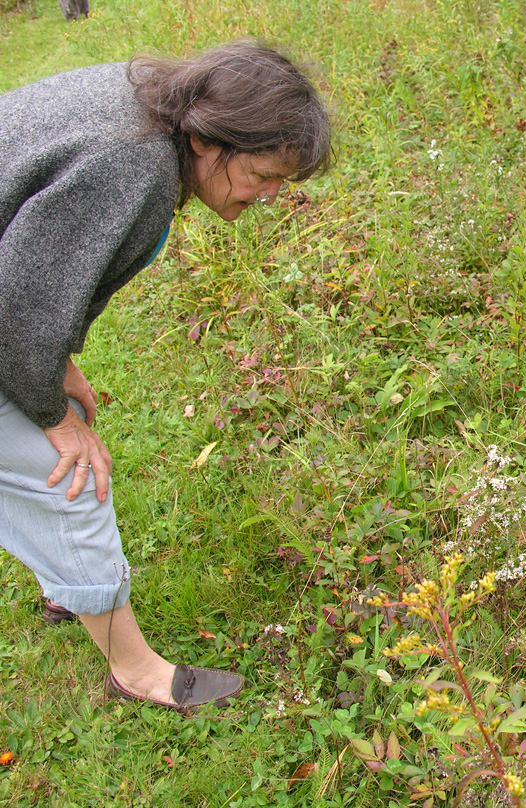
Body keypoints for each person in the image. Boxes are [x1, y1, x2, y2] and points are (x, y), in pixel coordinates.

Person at [0, 40, 331, 712]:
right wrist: (50, 410)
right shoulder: (133, 165)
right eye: (267, 175)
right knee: (68, 475)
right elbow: (16, 308)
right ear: (212, 141)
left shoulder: (143, 108)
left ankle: (67, 585)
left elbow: (36, 261)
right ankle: (136, 672)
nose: (272, 197)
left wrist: (54, 366)